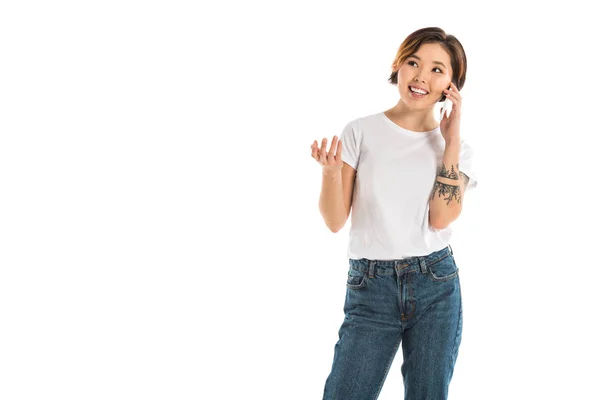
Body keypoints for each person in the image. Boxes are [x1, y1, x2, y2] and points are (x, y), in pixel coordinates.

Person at [310, 27, 479, 399]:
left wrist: (449, 142)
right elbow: (336, 221)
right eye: (413, 62)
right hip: (371, 288)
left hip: (435, 284)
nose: (421, 76)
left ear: (452, 85)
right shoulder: (361, 131)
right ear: (398, 66)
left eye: (437, 69)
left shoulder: (457, 150)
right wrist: (330, 173)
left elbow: (441, 218)